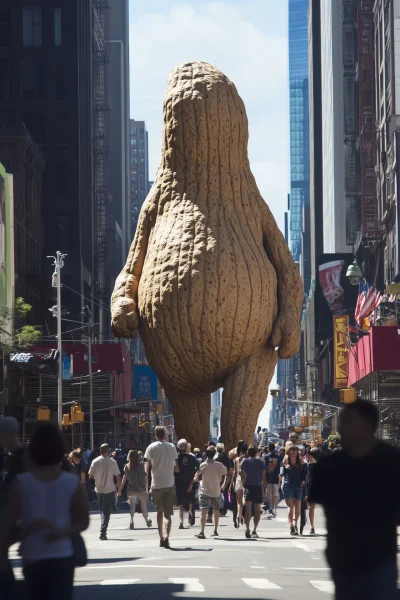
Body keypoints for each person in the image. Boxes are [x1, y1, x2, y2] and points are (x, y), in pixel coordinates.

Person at [309, 400, 400, 600]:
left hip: (379, 562)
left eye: (348, 421)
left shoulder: (392, 461)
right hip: (342, 564)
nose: (340, 427)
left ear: (368, 425)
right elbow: (317, 500)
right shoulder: (329, 466)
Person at [3, 422, 89, 600]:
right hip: (63, 556)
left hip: (32, 555)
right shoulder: (72, 482)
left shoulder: (22, 483)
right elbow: (83, 521)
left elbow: (6, 525)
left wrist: (26, 531)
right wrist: (63, 532)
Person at [144, 426, 179, 549]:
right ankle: (167, 537)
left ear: (155, 435)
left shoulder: (151, 448)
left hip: (156, 484)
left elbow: (146, 468)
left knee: (159, 512)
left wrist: (146, 484)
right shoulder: (172, 447)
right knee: (168, 514)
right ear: (165, 435)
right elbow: (177, 467)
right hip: (169, 484)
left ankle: (161, 538)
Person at [89, 443, 122, 540]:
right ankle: (103, 532)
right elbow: (118, 477)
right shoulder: (112, 462)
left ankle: (103, 528)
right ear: (108, 451)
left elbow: (90, 475)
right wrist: (119, 489)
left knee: (102, 510)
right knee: (106, 512)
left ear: (100, 450)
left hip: (98, 489)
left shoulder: (95, 461)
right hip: (109, 489)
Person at [194, 446, 228, 539]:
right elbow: (226, 472)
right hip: (216, 491)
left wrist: (195, 478)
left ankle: (202, 531)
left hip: (204, 491)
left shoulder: (203, 465)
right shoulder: (219, 465)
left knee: (203, 512)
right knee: (216, 511)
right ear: (214, 454)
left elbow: (197, 476)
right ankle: (215, 530)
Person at [120, 449, 152, 530]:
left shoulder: (126, 466)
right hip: (141, 488)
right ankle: (147, 520)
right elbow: (145, 474)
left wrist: (120, 487)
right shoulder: (141, 465)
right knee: (144, 507)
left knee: (132, 506)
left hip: (131, 488)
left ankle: (131, 521)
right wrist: (147, 487)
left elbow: (125, 478)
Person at [240, 444, 267, 539]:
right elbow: (263, 475)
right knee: (257, 509)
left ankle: (247, 528)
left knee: (247, 509)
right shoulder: (260, 462)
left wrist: (244, 483)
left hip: (248, 486)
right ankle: (254, 530)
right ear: (256, 452)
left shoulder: (245, 461)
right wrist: (265, 486)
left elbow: (242, 474)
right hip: (258, 486)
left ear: (248, 452)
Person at [280, 445, 305, 535]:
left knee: (298, 508)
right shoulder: (285, 461)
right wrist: (280, 485)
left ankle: (295, 524)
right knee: (291, 506)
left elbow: (304, 472)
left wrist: (304, 481)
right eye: (292, 451)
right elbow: (282, 474)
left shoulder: (301, 461)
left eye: (295, 451)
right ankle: (291, 525)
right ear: (288, 452)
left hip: (298, 486)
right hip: (288, 485)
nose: (294, 452)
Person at [175, 439, 199, 528]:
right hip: (190, 483)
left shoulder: (176, 458)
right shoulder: (192, 458)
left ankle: (181, 522)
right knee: (190, 500)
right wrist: (193, 481)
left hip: (178, 482)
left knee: (180, 503)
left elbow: (174, 470)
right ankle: (190, 511)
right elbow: (197, 469)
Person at [303, 447, 320, 535]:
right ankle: (312, 526)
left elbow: (308, 479)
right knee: (311, 508)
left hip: (311, 488)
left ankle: (312, 526)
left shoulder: (309, 465)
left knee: (311, 508)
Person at [264, 442, 281, 516]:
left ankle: (270, 507)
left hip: (268, 476)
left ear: (268, 448)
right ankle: (275, 508)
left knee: (269, 493)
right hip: (276, 476)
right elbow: (280, 465)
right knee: (275, 493)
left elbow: (264, 467)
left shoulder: (266, 456)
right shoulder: (278, 456)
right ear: (274, 448)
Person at [234, 441, 247, 527]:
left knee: (239, 501)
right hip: (246, 480)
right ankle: (243, 513)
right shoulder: (247, 459)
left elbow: (235, 473)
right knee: (244, 498)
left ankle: (239, 515)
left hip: (238, 479)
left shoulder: (236, 459)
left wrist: (233, 482)